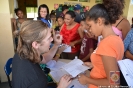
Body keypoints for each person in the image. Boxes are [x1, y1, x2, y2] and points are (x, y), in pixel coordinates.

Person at [12, 20, 72, 88]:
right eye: (48, 38)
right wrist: (61, 87)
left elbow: (45, 59)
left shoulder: (22, 53)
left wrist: (56, 45)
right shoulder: (37, 80)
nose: (52, 39)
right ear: (36, 44)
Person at [77, 4, 124, 88]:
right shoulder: (116, 39)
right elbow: (111, 64)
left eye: (90, 26)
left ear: (99, 21)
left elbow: (114, 82)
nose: (89, 30)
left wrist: (86, 80)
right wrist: (95, 64)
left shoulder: (107, 44)